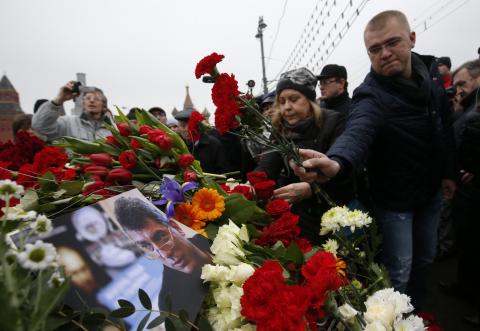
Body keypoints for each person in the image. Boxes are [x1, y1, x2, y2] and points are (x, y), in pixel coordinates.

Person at [291, 10, 456, 310]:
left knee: (426, 258)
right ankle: (395, 320)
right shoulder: (371, 94)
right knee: (399, 270)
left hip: (431, 191)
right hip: (395, 202)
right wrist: (337, 161)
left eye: (392, 43)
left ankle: (417, 312)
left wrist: (448, 173)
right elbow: (358, 131)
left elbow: (443, 126)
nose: (385, 53)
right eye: (375, 49)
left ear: (412, 38)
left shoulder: (431, 74)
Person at [255, 67, 354, 243]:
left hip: (332, 216)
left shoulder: (333, 122)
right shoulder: (279, 129)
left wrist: (312, 190)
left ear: (309, 100)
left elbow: (345, 175)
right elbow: (266, 168)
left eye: (294, 99)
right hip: (296, 215)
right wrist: (249, 186)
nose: (287, 107)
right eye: (282, 101)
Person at [114, 197, 211, 316]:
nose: (166, 254)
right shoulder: (171, 305)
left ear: (176, 227)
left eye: (160, 236)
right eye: (147, 246)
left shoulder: (213, 233)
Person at [440, 59, 480, 327]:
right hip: (465, 190)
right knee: (468, 244)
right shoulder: (467, 108)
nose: (458, 90)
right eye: (455, 86)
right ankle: (465, 287)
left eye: (463, 84)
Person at [32, 81, 114, 142]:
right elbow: (40, 127)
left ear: (104, 106)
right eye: (88, 98)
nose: (91, 101)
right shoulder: (68, 122)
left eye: (96, 99)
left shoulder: (113, 129)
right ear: (83, 103)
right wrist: (59, 99)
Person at [174, 109, 229, 174]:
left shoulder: (214, 144)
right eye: (182, 126)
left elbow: (223, 171)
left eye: (190, 126)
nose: (186, 129)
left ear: (199, 127)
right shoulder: (177, 145)